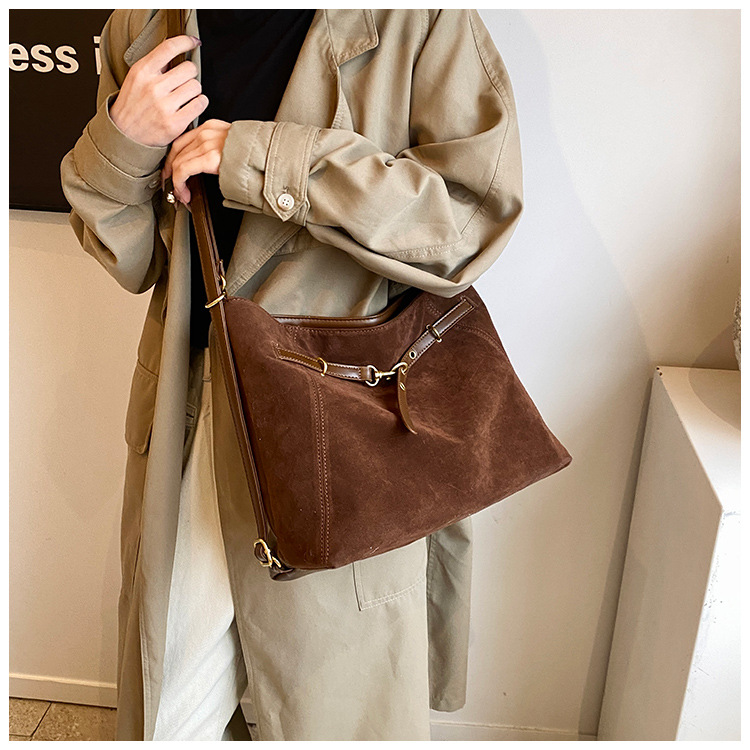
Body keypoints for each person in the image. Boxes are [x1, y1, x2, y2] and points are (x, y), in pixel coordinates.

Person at [60, 8, 523, 741]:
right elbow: (139, 258)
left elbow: (468, 220)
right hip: (197, 412)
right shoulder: (144, 22)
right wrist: (123, 142)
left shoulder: (418, 18)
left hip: (343, 423)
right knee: (170, 717)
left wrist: (262, 158)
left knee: (331, 710)